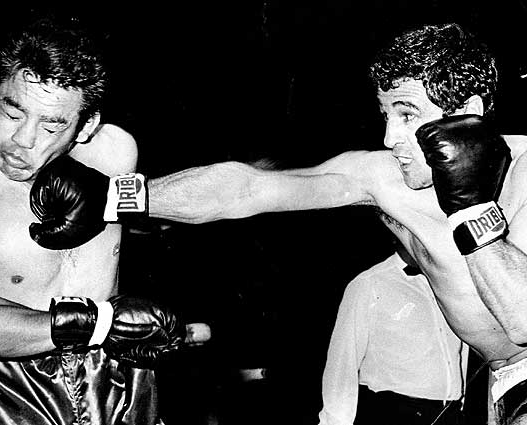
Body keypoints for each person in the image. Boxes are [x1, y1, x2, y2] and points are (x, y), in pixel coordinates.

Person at [26, 22, 527, 425]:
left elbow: (522, 323)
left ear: (468, 113)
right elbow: (247, 188)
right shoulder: (384, 176)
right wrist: (115, 198)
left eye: (408, 114)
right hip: (499, 381)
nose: (390, 136)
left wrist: (472, 208)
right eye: (385, 114)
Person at [0, 15, 209, 425]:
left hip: (115, 379)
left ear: (87, 125)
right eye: (12, 112)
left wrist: (136, 215)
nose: (22, 140)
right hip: (7, 389)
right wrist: (105, 323)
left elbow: (208, 198)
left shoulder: (115, 152)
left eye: (51, 125)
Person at [318, 238, 468, 425]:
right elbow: (343, 362)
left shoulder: (449, 284)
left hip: (449, 414)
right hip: (394, 413)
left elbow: (461, 351)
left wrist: (459, 401)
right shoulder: (369, 283)